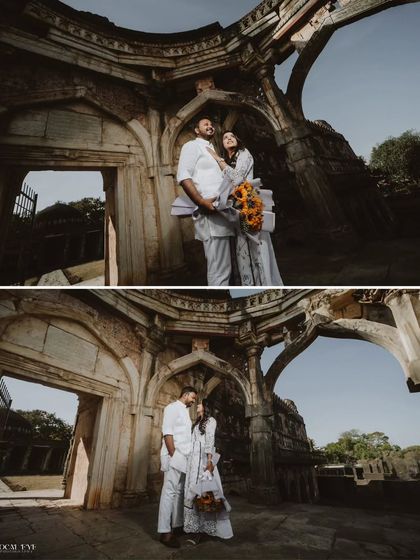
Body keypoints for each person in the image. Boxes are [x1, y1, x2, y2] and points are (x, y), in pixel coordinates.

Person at [206, 131, 283, 286]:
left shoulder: (243, 153)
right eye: (225, 138)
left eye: (232, 136)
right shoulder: (228, 160)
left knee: (257, 243)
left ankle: (265, 283)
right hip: (236, 210)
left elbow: (238, 178)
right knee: (242, 246)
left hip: (250, 204)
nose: (228, 139)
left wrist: (218, 159)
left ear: (237, 140)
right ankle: (250, 283)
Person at [177, 117, 235, 286]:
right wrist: (201, 202)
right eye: (205, 124)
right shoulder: (192, 146)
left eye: (211, 124)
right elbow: (184, 176)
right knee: (219, 269)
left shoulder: (212, 149)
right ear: (197, 130)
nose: (210, 126)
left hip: (223, 210)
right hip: (210, 212)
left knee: (226, 266)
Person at [184, 398, 233, 545]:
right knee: (192, 493)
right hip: (192, 461)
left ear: (205, 407)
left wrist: (210, 463)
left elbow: (210, 441)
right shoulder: (197, 422)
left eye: (199, 403)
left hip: (203, 461)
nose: (197, 405)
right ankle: (195, 528)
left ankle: (205, 530)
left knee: (204, 494)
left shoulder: (211, 421)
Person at [158, 386, 198, 548]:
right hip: (173, 455)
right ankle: (164, 532)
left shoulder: (185, 411)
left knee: (180, 491)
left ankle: (177, 525)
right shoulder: (172, 408)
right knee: (169, 492)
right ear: (186, 394)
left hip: (183, 457)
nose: (194, 401)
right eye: (193, 398)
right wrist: (173, 455)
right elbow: (167, 433)